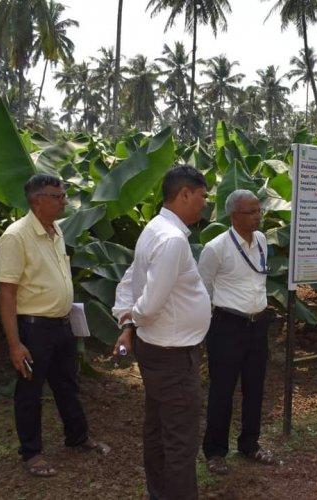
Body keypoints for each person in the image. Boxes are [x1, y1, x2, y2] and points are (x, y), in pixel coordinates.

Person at [0, 173, 109, 478]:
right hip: (34, 328)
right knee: (31, 391)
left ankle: (78, 436)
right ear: (37, 200)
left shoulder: (56, 230)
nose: (63, 201)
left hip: (61, 325)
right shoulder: (16, 236)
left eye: (63, 195)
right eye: (57, 197)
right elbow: (7, 293)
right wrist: (15, 343)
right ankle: (31, 453)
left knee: (67, 384)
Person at [112, 165, 211, 500]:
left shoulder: (154, 229)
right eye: (202, 196)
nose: (204, 204)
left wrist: (128, 322)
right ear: (184, 194)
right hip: (172, 357)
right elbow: (150, 303)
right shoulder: (171, 240)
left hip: (158, 351)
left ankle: (160, 493)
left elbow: (129, 280)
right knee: (180, 441)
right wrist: (133, 318)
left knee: (157, 431)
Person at [198, 189, 275, 475]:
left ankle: (250, 444)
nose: (257, 216)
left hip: (258, 324)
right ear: (234, 216)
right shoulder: (216, 248)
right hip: (227, 326)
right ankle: (215, 451)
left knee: (255, 387)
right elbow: (202, 289)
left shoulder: (262, 241)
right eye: (251, 212)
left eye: (258, 210)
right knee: (222, 390)